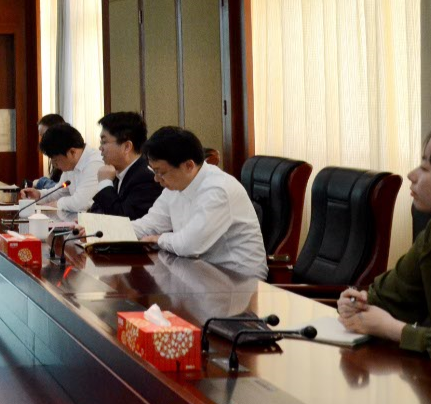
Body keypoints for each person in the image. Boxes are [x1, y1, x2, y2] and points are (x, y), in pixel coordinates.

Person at [339, 125, 431, 360]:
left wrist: (395, 330)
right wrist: (357, 303)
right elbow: (389, 297)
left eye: (425, 167)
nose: (411, 175)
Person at [130, 127, 267, 280]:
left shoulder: (218, 189)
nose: (156, 179)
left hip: (239, 281)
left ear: (189, 165)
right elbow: (149, 225)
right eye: (154, 171)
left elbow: (189, 245)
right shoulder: (174, 187)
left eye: (160, 172)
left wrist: (159, 239)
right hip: (200, 272)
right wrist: (111, 232)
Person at [89, 112, 162, 220]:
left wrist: (105, 183)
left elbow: (123, 221)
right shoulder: (116, 172)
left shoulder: (146, 178)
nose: (100, 148)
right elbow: (97, 209)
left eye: (104, 142)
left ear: (127, 147)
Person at [25, 123, 103, 216]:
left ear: (72, 152)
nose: (54, 165)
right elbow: (60, 192)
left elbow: (82, 203)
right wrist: (39, 195)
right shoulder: (70, 165)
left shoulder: (95, 163)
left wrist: (58, 203)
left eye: (56, 160)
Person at [38, 113, 66, 182]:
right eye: (41, 136)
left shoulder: (67, 154)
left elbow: (63, 186)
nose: (42, 141)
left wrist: (41, 182)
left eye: (45, 135)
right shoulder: (54, 154)